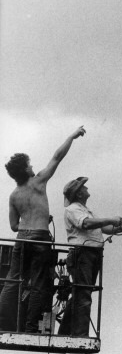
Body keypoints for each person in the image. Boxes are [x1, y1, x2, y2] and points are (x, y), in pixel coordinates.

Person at [0, 126, 86, 333]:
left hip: (22, 239)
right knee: (39, 282)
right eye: (29, 164)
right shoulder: (38, 181)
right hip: (40, 238)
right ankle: (30, 326)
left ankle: (1, 321)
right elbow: (57, 157)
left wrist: (32, 223)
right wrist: (71, 136)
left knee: (12, 281)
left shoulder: (13, 195)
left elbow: (13, 226)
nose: (32, 166)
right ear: (25, 170)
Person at [58, 177, 122, 337]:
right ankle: (80, 335)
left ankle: (65, 332)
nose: (86, 188)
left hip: (90, 254)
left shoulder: (83, 209)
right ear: (79, 194)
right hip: (82, 254)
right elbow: (86, 224)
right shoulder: (73, 209)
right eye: (83, 187)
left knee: (81, 292)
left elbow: (102, 228)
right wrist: (110, 219)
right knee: (83, 293)